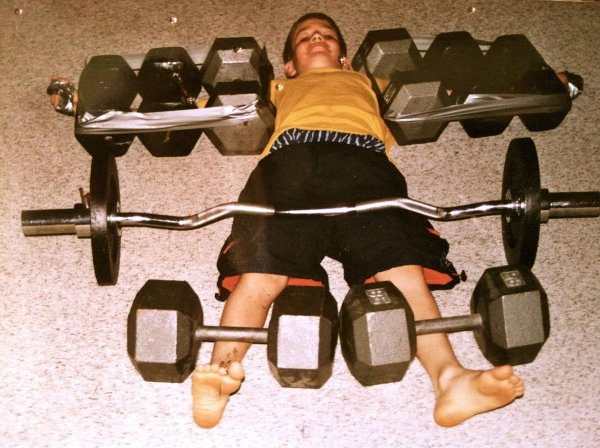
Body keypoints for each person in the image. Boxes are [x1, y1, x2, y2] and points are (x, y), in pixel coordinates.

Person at [191, 12, 525, 429]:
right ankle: (220, 375)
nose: (316, 39)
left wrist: (536, 81)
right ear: (289, 66)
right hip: (290, 164)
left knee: (400, 269)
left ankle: (450, 379)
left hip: (363, 164)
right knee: (260, 273)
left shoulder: (369, 82)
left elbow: (451, 88)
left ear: (345, 60)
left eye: (327, 36)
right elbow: (206, 107)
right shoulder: (278, 87)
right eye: (305, 38)